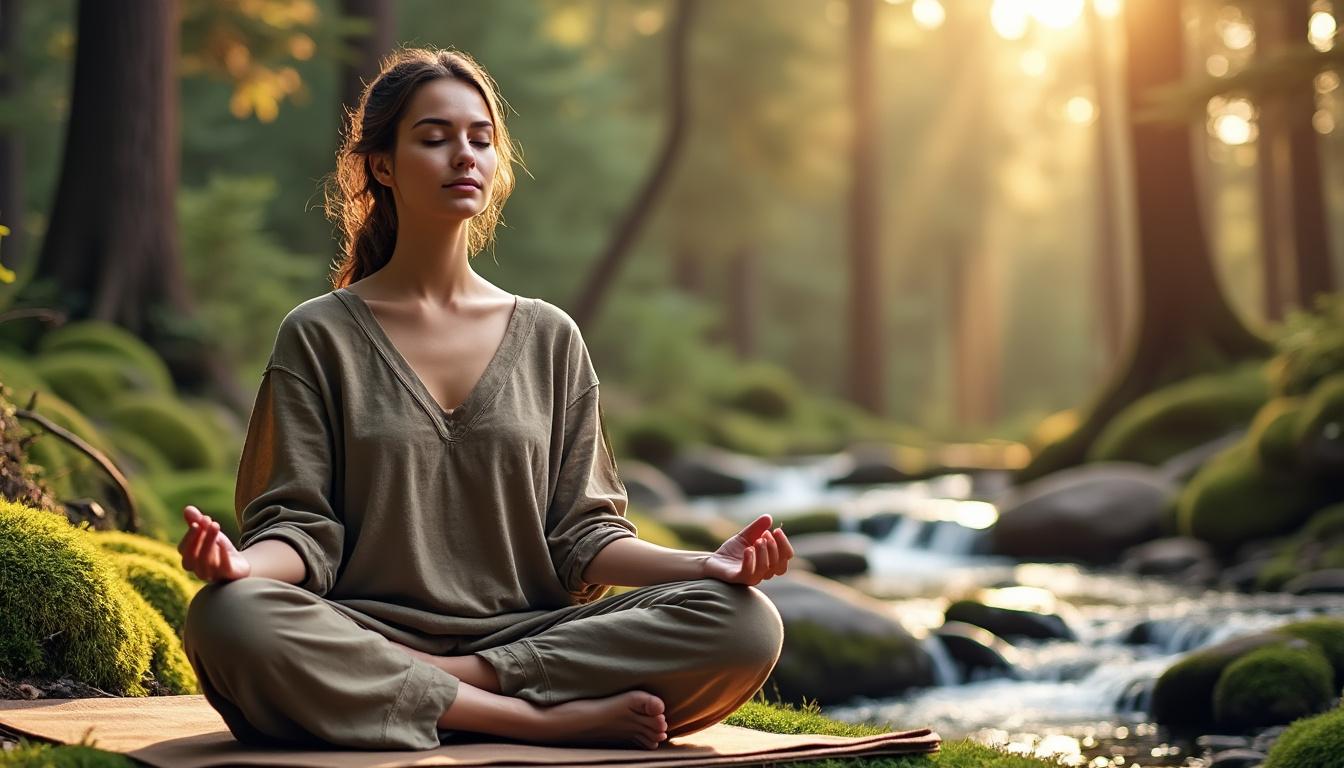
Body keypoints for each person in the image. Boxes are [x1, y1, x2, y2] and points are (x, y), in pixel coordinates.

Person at [178, 46, 793, 753]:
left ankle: (437, 686)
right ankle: (534, 722)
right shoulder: (319, 335)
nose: (462, 156)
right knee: (230, 617)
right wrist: (240, 566)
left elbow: (583, 536)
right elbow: (302, 530)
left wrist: (702, 565)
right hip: (363, 630)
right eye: (434, 138)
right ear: (382, 165)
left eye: (480, 139)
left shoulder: (550, 337)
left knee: (747, 624)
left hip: (531, 636)